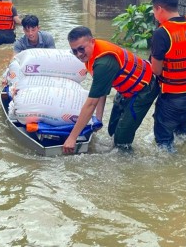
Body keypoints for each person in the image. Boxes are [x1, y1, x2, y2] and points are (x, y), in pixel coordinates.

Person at [62, 26, 159, 154]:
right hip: (126, 89)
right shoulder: (92, 55)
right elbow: (100, 89)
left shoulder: (103, 63)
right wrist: (98, 119)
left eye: (81, 48)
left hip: (144, 88)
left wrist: (72, 138)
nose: (79, 54)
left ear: (92, 41)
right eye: (74, 51)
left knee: (121, 141)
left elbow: (91, 103)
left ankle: (128, 164)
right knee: (112, 130)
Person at [150, 0, 186, 152]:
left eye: (154, 10)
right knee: (184, 136)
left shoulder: (162, 33)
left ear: (159, 9)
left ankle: (170, 174)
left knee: (164, 143)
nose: (154, 14)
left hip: (172, 98)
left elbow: (157, 70)